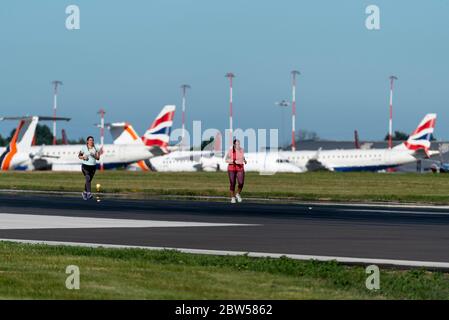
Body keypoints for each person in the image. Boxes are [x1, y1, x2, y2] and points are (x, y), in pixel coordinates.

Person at [78, 136, 100, 200]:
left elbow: (98, 158)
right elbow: (79, 156)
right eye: (90, 140)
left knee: (89, 180)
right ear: (87, 141)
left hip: (93, 167)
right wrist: (83, 157)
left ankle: (84, 192)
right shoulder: (84, 148)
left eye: (92, 140)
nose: (91, 141)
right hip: (85, 166)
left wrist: (94, 156)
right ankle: (89, 193)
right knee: (88, 177)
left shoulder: (96, 148)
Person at [225, 139, 247, 203]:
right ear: (234, 144)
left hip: (240, 168)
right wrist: (233, 161)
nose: (238, 145)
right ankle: (232, 197)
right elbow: (226, 160)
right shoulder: (231, 151)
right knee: (232, 183)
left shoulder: (242, 150)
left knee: (241, 183)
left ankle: (237, 194)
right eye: (237, 144)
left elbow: (242, 156)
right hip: (232, 168)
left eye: (239, 143)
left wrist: (244, 160)